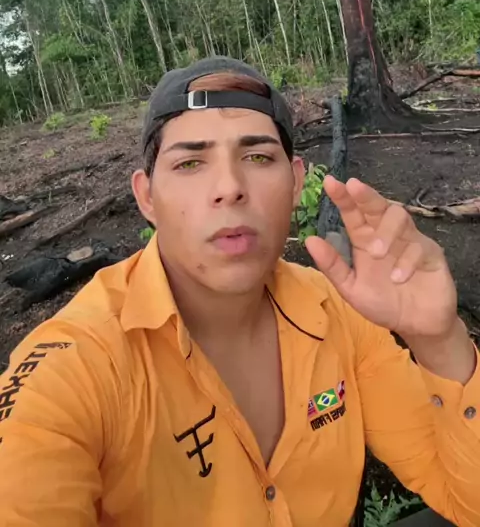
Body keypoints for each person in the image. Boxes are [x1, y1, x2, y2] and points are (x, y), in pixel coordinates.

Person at [0, 56, 478, 527]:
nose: (229, 187)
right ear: (147, 196)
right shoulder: (77, 365)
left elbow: (466, 499)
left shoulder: (332, 308)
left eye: (258, 157)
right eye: (190, 163)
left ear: (296, 182)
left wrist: (438, 340)